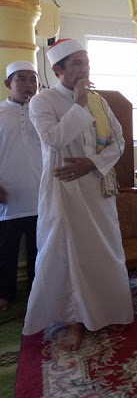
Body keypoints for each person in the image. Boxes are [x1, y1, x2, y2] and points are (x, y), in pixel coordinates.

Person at [23, 39, 133, 351]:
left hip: (97, 187)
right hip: (64, 192)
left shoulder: (99, 101)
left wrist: (92, 163)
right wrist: (80, 105)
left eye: (87, 63)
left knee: (103, 251)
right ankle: (74, 322)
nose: (85, 69)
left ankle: (106, 311)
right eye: (77, 64)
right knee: (69, 254)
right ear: (58, 69)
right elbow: (54, 139)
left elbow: (119, 141)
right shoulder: (42, 102)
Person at [0, 61, 41, 313]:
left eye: (33, 79)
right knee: (6, 249)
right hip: (9, 196)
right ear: (8, 83)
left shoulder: (42, 112)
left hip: (41, 194)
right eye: (22, 79)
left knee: (40, 249)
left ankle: (37, 293)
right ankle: (4, 293)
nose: (29, 85)